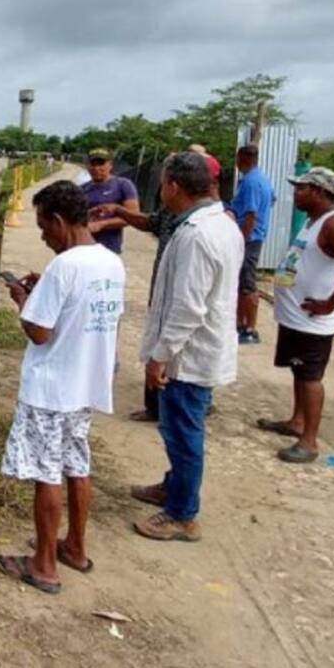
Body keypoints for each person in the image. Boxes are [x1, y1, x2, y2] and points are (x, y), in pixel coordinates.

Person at [0, 180, 126, 593]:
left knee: (47, 473)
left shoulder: (64, 267)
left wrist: (21, 297)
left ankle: (44, 565)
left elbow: (38, 331)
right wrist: (43, 294)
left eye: (43, 227)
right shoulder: (109, 262)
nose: (43, 236)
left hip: (51, 388)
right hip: (84, 384)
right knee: (77, 465)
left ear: (57, 220)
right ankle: (75, 548)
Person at [130, 152, 243, 542]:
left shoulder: (197, 234)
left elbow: (188, 308)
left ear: (174, 186)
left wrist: (160, 355)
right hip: (199, 348)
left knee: (183, 431)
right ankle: (173, 487)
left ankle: (182, 514)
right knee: (178, 428)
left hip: (189, 354)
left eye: (163, 184)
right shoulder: (220, 224)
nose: (161, 191)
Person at [94, 150, 223, 423]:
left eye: (164, 181)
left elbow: (191, 304)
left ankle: (187, 406)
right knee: (159, 341)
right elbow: (150, 222)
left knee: (178, 355)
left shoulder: (203, 228)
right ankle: (156, 407)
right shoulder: (172, 213)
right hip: (163, 290)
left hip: (183, 299)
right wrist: (119, 212)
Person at [256, 167, 334, 463]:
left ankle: (310, 442)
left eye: (302, 188)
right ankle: (297, 421)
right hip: (295, 316)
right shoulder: (313, 221)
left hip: (312, 321)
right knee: (298, 370)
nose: (296, 194)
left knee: (310, 376)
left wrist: (330, 304)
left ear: (319, 191)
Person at [230, 144, 274, 344]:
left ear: (243, 158)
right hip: (254, 236)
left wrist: (242, 238)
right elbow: (272, 199)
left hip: (249, 239)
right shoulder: (262, 179)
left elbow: (251, 214)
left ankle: (250, 328)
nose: (237, 163)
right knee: (241, 283)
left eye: (238, 159)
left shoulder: (250, 182)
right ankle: (240, 325)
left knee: (248, 284)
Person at [82, 148, 140, 254]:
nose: (96, 168)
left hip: (109, 249)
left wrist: (101, 225)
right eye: (93, 164)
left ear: (110, 165)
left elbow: (133, 216)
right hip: (83, 247)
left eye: (101, 163)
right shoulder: (82, 189)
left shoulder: (123, 185)